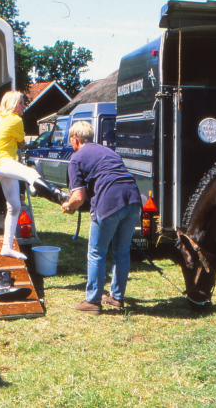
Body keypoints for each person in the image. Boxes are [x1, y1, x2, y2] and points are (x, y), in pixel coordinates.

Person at [61, 121, 141, 314]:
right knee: (122, 252)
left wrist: (67, 206)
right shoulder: (109, 151)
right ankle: (116, 297)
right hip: (133, 199)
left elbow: (78, 197)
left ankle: (93, 301)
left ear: (75, 139)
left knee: (97, 252)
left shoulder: (76, 158)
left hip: (110, 201)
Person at [0, 91, 68, 259]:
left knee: (15, 206)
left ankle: (6, 247)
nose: (24, 106)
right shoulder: (15, 120)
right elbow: (22, 143)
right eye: (21, 103)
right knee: (30, 172)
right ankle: (60, 196)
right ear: (13, 105)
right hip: (2, 162)